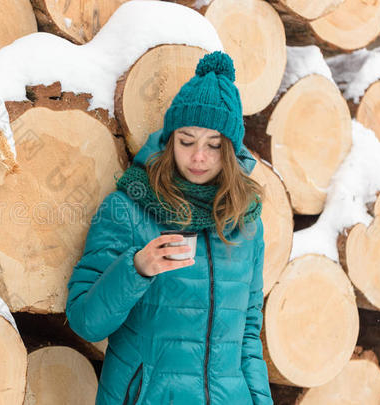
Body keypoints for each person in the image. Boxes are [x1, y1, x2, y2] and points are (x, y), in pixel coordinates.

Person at [65, 51, 274, 405]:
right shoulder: (128, 208)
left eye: (214, 146)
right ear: (170, 138)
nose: (198, 157)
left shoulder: (244, 223)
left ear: (232, 149)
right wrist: (137, 269)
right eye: (187, 141)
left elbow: (248, 334)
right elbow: (86, 320)